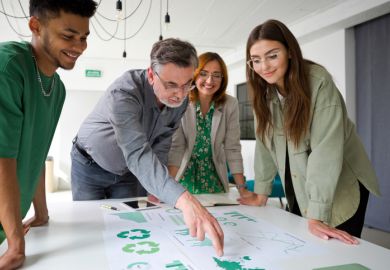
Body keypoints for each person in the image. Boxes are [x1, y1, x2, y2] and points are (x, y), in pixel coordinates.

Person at [70, 38, 224, 256]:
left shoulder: (179, 101)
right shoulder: (123, 92)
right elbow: (137, 152)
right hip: (90, 165)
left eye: (186, 84)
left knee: (126, 229)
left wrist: (158, 187)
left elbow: (161, 142)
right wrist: (185, 200)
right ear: (151, 75)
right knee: (89, 232)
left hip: (129, 173)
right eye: (171, 85)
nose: (180, 95)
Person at [241, 19, 380, 244]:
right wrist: (261, 192)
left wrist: (317, 214)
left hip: (340, 184)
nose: (264, 66)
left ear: (290, 52)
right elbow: (264, 144)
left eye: (272, 55)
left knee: (335, 254)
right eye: (256, 60)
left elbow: (325, 151)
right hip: (302, 182)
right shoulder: (265, 93)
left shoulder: (318, 83)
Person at [0, 0, 97, 268]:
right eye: (68, 36)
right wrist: (16, 244)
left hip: (7, 226)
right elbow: (2, 160)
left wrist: (41, 213)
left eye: (84, 37)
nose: (79, 46)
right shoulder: (7, 67)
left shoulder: (57, 89)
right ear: (35, 26)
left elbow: (37, 152)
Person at [168, 52, 262, 204]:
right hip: (183, 177)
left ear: (222, 79)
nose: (210, 80)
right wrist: (167, 186)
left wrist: (242, 188)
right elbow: (177, 147)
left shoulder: (230, 104)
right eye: (203, 74)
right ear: (194, 75)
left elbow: (232, 148)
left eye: (217, 75)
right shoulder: (181, 102)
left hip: (215, 179)